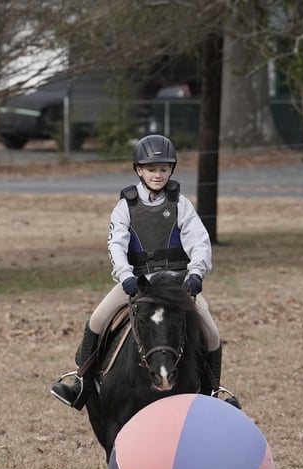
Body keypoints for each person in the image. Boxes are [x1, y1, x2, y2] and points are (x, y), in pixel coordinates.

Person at [51, 134, 222, 410]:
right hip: (139, 282)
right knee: (97, 320)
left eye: (164, 169)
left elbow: (200, 243)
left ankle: (213, 392)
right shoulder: (125, 206)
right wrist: (125, 275)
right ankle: (82, 384)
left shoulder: (181, 204)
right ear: (139, 170)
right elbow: (116, 244)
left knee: (210, 331)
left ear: (171, 170)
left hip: (175, 285)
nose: (158, 175)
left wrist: (196, 274)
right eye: (151, 169)